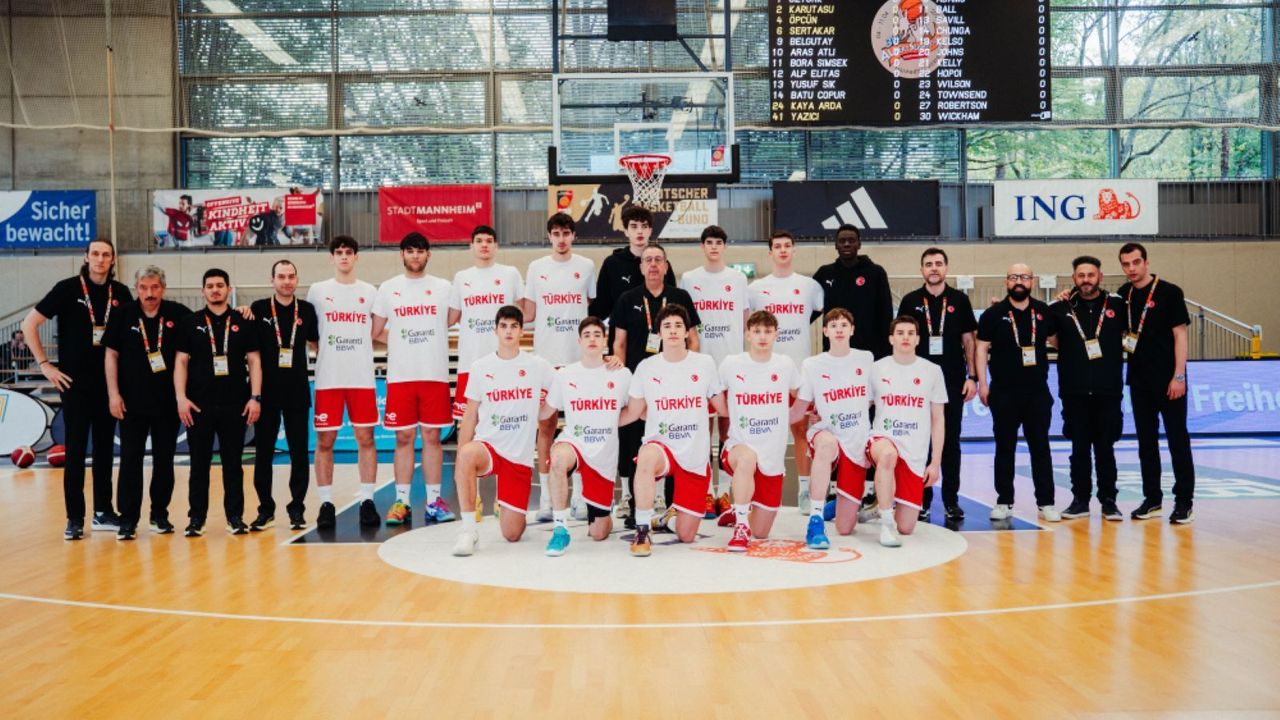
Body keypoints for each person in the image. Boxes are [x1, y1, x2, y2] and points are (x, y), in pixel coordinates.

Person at [24, 238, 133, 540]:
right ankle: (74, 518)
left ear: (113, 260)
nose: (100, 259)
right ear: (86, 257)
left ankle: (103, 512)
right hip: (75, 386)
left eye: (106, 254)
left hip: (109, 386)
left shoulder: (121, 293)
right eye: (95, 253)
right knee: (75, 452)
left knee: (104, 451)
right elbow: (29, 324)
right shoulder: (67, 289)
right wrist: (45, 365)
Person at [610, 242, 702, 527]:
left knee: (677, 440)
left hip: (674, 386)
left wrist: (688, 374)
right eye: (648, 260)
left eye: (658, 260)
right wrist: (626, 381)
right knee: (637, 445)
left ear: (666, 266)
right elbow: (619, 343)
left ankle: (674, 505)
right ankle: (637, 506)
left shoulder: (680, 297)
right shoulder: (627, 298)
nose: (652, 264)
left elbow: (693, 339)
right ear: (641, 267)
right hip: (640, 383)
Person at [451, 305, 555, 556]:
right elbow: (470, 415)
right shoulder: (480, 367)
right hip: (489, 446)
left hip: (518, 458)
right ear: (495, 330)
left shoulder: (537, 365)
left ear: (522, 331)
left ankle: (506, 503)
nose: (508, 331)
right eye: (504, 326)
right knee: (467, 455)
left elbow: (565, 386)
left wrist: (545, 412)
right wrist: (460, 458)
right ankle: (468, 531)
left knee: (512, 534)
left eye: (514, 326)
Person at [623, 305, 726, 556]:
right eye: (667, 326)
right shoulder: (646, 367)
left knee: (686, 535)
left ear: (687, 332)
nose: (673, 331)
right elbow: (633, 412)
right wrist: (596, 421)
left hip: (694, 453)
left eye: (678, 325)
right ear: (659, 333)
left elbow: (723, 407)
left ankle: (667, 518)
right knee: (646, 457)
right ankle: (643, 529)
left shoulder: (704, 363)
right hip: (662, 446)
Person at [372, 232, 457, 526]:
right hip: (401, 376)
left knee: (432, 437)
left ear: (428, 255)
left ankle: (433, 502)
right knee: (404, 437)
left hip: (434, 374)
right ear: (402, 255)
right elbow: (375, 331)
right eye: (410, 251)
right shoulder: (388, 288)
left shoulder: (444, 288)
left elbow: (450, 321)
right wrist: (399, 340)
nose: (415, 256)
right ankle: (402, 502)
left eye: (420, 251)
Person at [174, 269, 262, 537]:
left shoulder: (243, 320)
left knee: (233, 465)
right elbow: (181, 362)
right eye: (210, 286)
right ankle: (196, 519)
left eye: (220, 285)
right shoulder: (190, 322)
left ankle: (235, 517)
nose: (215, 290)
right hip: (198, 406)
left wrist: (255, 397)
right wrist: (181, 398)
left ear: (228, 289)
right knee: (198, 466)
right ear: (203, 291)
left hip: (235, 405)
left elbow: (254, 361)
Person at [103, 266, 190, 539]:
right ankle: (128, 519)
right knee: (130, 461)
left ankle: (159, 515)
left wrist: (243, 311)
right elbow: (111, 356)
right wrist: (113, 394)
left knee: (164, 460)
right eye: (143, 288)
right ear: (136, 288)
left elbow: (208, 322)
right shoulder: (123, 314)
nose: (149, 293)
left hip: (167, 404)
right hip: (131, 404)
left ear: (163, 288)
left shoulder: (179, 314)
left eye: (154, 287)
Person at [540, 317, 638, 556]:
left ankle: (602, 513)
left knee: (598, 533)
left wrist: (609, 420)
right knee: (558, 459)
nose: (592, 339)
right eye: (587, 335)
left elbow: (635, 410)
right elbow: (545, 412)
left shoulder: (622, 374)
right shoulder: (565, 375)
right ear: (579, 341)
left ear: (605, 340)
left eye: (597, 334)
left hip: (603, 455)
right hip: (575, 442)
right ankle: (560, 529)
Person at [522, 213, 597, 523]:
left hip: (578, 360)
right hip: (546, 359)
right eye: (556, 233)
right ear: (549, 236)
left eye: (566, 233)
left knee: (581, 426)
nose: (561, 239)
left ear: (573, 235)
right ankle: (547, 499)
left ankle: (579, 496)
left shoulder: (586, 266)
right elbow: (528, 313)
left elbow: (591, 308)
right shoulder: (536, 268)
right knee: (546, 427)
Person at [897, 248, 978, 522]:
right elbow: (903, 340)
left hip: (953, 381)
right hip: (917, 382)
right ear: (921, 270)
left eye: (938, 264)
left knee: (951, 442)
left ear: (946, 268)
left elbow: (969, 341)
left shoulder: (960, 300)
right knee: (920, 442)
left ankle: (951, 501)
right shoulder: (910, 301)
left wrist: (972, 377)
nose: (934, 268)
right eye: (929, 264)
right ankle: (921, 500)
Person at [976, 264, 1061, 522]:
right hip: (1004, 393)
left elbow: (1058, 341)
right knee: (1005, 447)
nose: (1019, 281)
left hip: (1037, 393)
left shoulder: (1043, 311)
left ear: (1032, 281)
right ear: (1006, 282)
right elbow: (981, 349)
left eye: (1024, 277)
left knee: (1041, 447)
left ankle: (1046, 502)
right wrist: (983, 384)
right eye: (1014, 277)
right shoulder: (993, 314)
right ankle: (1004, 501)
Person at [1117, 242, 1195, 524]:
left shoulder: (1169, 292)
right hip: (1139, 380)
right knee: (1146, 443)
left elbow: (1180, 335)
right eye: (1126, 264)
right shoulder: (1123, 294)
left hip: (1169, 379)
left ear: (1146, 262)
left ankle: (1184, 502)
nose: (1131, 268)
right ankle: (1152, 500)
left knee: (1177, 440)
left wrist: (1179, 375)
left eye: (1136, 262)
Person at [307, 236, 380, 529]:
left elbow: (376, 331)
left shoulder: (369, 291)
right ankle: (326, 503)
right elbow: (312, 335)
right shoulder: (318, 291)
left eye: (349, 252)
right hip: (329, 377)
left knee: (366, 438)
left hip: (361, 377)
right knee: (325, 441)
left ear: (357, 257)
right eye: (339, 252)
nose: (344, 256)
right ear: (331, 257)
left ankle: (367, 500)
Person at [748, 230, 824, 512]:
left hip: (799, 372)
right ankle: (759, 492)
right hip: (765, 373)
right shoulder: (756, 289)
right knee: (762, 433)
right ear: (770, 253)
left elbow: (817, 314)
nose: (782, 250)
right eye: (777, 246)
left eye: (787, 246)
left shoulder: (809, 286)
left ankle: (804, 491)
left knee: (800, 431)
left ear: (794, 250)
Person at [715, 311, 802, 551]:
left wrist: (813, 412)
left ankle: (739, 510)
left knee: (761, 532)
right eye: (757, 331)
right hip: (738, 447)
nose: (762, 337)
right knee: (747, 458)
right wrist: (727, 412)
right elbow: (713, 393)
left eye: (768, 331)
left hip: (772, 457)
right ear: (748, 335)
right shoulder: (731, 364)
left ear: (776, 335)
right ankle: (741, 524)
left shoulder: (785, 365)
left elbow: (801, 394)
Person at [1049, 256, 1127, 522]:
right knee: (1079, 449)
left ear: (1100, 277)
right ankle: (1080, 500)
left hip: (1108, 391)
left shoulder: (1118, 305)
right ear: (1074, 278)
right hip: (1074, 391)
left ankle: (1109, 501)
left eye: (1091, 275)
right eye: (1081, 275)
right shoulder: (1059, 308)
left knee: (1106, 449)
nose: (1086, 280)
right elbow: (1051, 338)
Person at [680, 224, 749, 517]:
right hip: (701, 366)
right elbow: (686, 324)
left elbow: (745, 321)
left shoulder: (738, 279)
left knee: (729, 432)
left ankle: (728, 493)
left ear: (725, 246)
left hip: (730, 367)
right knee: (702, 433)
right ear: (702, 246)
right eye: (709, 242)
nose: (714, 247)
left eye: (718, 242)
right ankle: (707, 492)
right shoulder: (690, 278)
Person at [791, 309, 874, 548]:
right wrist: (764, 417)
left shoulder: (866, 359)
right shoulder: (812, 364)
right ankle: (816, 520)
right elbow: (799, 409)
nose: (839, 329)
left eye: (844, 325)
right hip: (825, 432)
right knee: (826, 444)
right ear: (825, 331)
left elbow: (872, 399)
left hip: (856, 439)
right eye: (834, 325)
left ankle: (837, 505)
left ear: (852, 330)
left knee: (845, 528)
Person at [248, 260, 319, 531]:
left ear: (297, 280)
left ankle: (297, 509)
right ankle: (265, 509)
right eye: (281, 276)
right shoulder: (258, 309)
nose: (286, 281)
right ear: (272, 280)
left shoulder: (307, 310)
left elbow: (316, 342)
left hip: (297, 392)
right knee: (264, 454)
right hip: (266, 393)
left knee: (299, 454)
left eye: (291, 276)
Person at [867, 316, 947, 547]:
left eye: (911, 333)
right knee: (888, 455)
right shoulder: (876, 368)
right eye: (900, 333)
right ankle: (885, 524)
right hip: (883, 439)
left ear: (918, 339)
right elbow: (860, 406)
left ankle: (879, 506)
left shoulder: (932, 371)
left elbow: (938, 419)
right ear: (891, 338)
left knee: (906, 527)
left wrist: (935, 463)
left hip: (915, 451)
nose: (905, 337)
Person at [447, 225, 524, 421]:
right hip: (471, 360)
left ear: (496, 246)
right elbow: (451, 318)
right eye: (479, 241)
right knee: (469, 420)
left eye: (489, 241)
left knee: (505, 418)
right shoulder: (461, 277)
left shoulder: (510, 273)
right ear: (471, 246)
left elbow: (527, 312)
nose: (484, 245)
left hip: (504, 359)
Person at [813, 224, 893, 359]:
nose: (847, 244)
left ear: (859, 244)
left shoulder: (876, 273)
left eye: (851, 240)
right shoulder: (825, 273)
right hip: (834, 350)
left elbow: (886, 313)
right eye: (842, 241)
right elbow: (809, 310)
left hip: (870, 351)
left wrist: (887, 352)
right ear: (836, 245)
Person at [589, 205, 675, 323]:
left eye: (644, 226)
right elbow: (601, 306)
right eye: (634, 226)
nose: (639, 231)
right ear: (626, 231)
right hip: (621, 330)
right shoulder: (612, 264)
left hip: (655, 330)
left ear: (650, 231)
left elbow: (672, 301)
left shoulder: (661, 264)